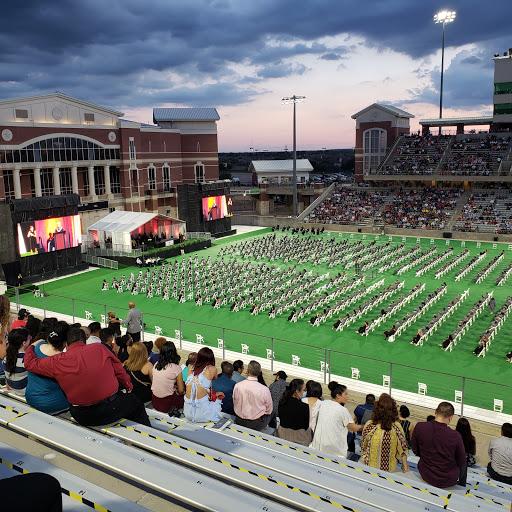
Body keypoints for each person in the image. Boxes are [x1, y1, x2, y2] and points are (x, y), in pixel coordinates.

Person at [24, 327, 150, 427]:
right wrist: (128, 386)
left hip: (81, 415)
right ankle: (148, 442)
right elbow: (119, 370)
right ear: (84, 340)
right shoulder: (99, 348)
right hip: (109, 408)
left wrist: (31, 346)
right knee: (137, 404)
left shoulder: (57, 360)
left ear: (67, 345)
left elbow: (29, 364)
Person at [411, 402, 466, 488]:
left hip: (425, 473)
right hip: (447, 479)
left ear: (435, 411)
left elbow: (415, 449)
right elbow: (462, 461)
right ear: (450, 418)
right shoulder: (455, 436)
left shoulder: (420, 426)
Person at [309, 381, 363, 458]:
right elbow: (354, 428)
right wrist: (368, 425)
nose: (347, 397)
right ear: (338, 396)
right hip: (335, 452)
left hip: (317, 447)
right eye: (346, 394)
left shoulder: (323, 403)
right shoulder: (342, 410)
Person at [26, 324, 71, 414]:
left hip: (31, 397)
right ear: (65, 342)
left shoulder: (36, 347)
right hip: (53, 404)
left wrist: (31, 346)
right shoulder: (63, 360)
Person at [361, 393, 410, 473]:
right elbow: (402, 449)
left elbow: (363, 445)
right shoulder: (396, 427)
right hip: (389, 469)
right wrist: (405, 466)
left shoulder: (369, 425)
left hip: (369, 465)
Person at [184, 347, 224, 423]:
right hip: (203, 416)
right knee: (217, 399)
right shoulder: (212, 369)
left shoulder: (190, 367)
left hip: (187, 413)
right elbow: (215, 378)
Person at [233, 360, 272, 431]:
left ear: (247, 371)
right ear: (259, 372)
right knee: (272, 412)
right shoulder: (264, 389)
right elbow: (269, 410)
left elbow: (234, 402)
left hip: (239, 420)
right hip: (256, 423)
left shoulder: (238, 386)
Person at [276, 379, 312, 446]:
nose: (305, 392)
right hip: (299, 437)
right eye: (304, 390)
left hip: (282, 434)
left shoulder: (281, 402)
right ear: (297, 391)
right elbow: (306, 426)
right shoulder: (304, 406)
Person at [152, 341, 185, 414]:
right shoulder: (176, 368)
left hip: (155, 401)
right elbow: (181, 391)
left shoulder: (156, 364)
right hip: (167, 404)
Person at [2, 328, 30, 396]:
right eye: (29, 338)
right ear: (24, 343)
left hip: (13, 389)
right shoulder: (26, 360)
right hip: (24, 391)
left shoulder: (6, 357)